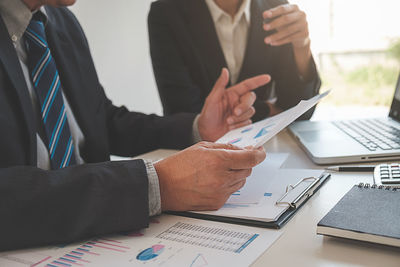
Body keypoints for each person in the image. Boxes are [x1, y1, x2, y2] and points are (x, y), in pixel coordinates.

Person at [0, 0, 270, 251]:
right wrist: (156, 185)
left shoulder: (61, 21)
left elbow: (102, 122)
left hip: (100, 240)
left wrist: (198, 128)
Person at [148, 0, 321, 122]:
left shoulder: (275, 9)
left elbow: (299, 112)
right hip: (195, 153)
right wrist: (267, 110)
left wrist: (302, 45)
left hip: (265, 152)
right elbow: (183, 112)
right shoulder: (166, 14)